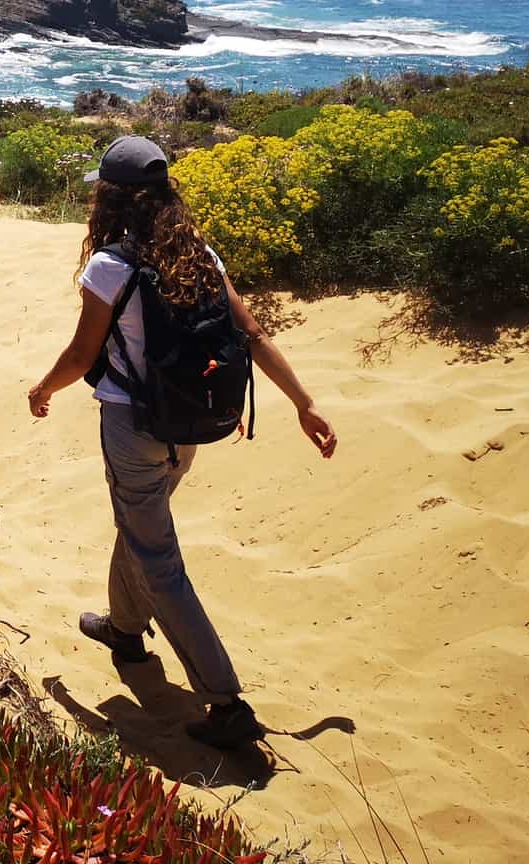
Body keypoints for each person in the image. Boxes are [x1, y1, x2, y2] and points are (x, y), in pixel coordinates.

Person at [25, 136, 339, 750]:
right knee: (140, 526)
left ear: (109, 197)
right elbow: (252, 334)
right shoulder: (200, 256)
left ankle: (225, 703)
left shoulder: (110, 265)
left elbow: (83, 354)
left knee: (158, 557)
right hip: (187, 428)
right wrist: (304, 402)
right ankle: (122, 629)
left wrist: (43, 388)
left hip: (133, 424)